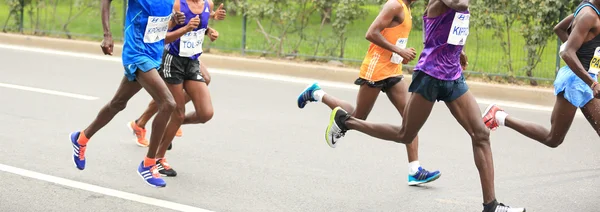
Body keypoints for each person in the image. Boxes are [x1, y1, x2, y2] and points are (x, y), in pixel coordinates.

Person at [323, 0, 526, 211]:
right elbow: (459, 4)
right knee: (405, 134)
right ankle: (346, 122)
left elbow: (451, 23)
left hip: (452, 74)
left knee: (481, 134)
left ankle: (491, 206)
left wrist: (459, 50)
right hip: (430, 75)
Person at [297, 0, 441, 186]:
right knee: (358, 116)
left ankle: (414, 170)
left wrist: (400, 55)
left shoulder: (407, 8)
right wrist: (399, 50)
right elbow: (371, 33)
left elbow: (394, 36)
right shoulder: (394, 5)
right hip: (376, 69)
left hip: (393, 70)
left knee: (410, 117)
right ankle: (317, 94)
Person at [69, 0, 185, 187]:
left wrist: (173, 19)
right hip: (137, 53)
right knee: (168, 103)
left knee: (118, 103)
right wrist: (107, 34)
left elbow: (158, 18)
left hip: (155, 52)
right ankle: (148, 164)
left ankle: (81, 138)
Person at [482, 1, 600, 148]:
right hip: (575, 82)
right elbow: (567, 52)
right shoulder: (588, 16)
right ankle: (499, 116)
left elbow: (559, 28)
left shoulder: (592, 11)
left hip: (586, 79)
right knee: (553, 139)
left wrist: (581, 54)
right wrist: (592, 83)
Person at [128, 3, 226, 148]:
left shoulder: (205, 3)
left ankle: (146, 122)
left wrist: (210, 19)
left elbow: (193, 13)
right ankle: (158, 122)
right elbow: (169, 20)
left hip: (189, 53)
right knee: (170, 96)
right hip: (169, 51)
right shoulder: (174, 3)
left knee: (202, 80)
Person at [146, 0, 221, 177]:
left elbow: (202, 24)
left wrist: (209, 31)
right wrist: (185, 29)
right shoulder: (177, 4)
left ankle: (168, 127)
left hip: (193, 62)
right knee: (177, 112)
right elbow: (162, 34)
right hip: (173, 61)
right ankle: (157, 159)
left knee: (205, 113)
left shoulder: (207, 4)